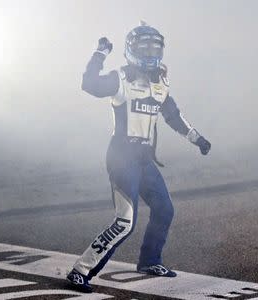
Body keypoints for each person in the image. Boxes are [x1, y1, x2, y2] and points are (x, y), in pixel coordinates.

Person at [67, 22, 211, 293]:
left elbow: (174, 117)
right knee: (124, 222)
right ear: (131, 50)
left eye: (154, 47)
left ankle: (149, 260)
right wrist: (99, 53)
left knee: (165, 210)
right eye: (143, 47)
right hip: (122, 158)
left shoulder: (161, 84)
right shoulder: (121, 78)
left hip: (144, 160)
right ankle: (80, 270)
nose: (149, 52)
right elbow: (89, 84)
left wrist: (197, 139)